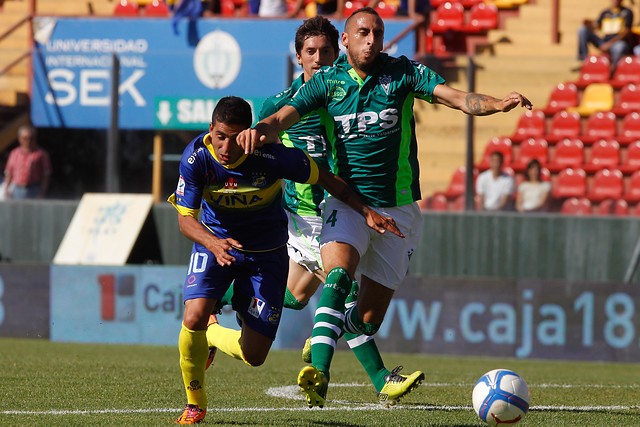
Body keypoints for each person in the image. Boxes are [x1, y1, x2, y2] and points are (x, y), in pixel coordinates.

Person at [236, 7, 532, 408]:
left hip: (400, 211)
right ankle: (318, 373)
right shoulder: (327, 83)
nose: (371, 40)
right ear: (346, 40)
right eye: (362, 32)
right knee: (338, 276)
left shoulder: (404, 73)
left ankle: (333, 328)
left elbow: (458, 98)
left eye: (377, 32)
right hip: (348, 203)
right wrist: (260, 131)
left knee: (366, 318)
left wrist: (496, 104)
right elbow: (281, 118)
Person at [214, 16, 424, 407]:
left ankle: (219, 298)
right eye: (310, 52)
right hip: (305, 214)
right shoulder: (280, 104)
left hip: (339, 203)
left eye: (326, 52)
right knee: (343, 290)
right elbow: (266, 146)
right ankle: (378, 378)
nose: (319, 59)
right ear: (298, 57)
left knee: (293, 297)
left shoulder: (340, 91)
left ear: (337, 52)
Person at [169, 96, 402, 424]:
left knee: (255, 355)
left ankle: (213, 334)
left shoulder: (271, 157)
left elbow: (325, 177)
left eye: (235, 137)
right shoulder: (197, 159)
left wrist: (365, 211)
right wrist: (213, 243)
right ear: (211, 130)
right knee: (193, 315)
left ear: (247, 134)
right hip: (214, 244)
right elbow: (184, 219)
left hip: (266, 254)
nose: (226, 145)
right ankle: (195, 404)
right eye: (220, 136)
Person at [577, 0, 634, 71]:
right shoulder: (605, 13)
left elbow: (626, 32)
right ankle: (584, 61)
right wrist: (589, 23)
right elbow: (597, 26)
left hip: (618, 42)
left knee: (620, 47)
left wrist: (609, 44)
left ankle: (613, 70)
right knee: (582, 30)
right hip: (604, 41)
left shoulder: (627, 12)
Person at [3, 125, 52, 200]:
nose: (28, 141)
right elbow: (9, 172)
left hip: (34, 189)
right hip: (17, 189)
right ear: (20, 139)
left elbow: (46, 174)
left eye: (30, 138)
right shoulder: (14, 153)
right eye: (25, 138)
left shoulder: (41, 154)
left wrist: (43, 191)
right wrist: (7, 189)